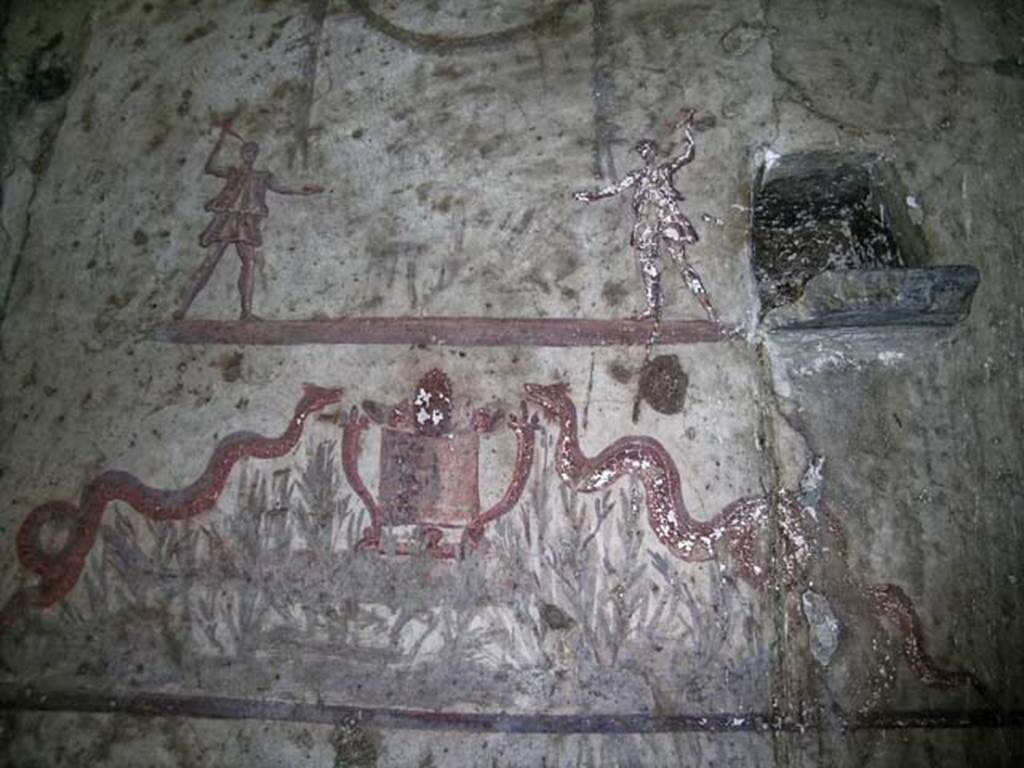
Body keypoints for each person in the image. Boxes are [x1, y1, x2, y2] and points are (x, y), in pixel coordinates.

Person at [574, 108, 716, 321]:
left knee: (681, 262)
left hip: (667, 218)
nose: (644, 152)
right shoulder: (637, 175)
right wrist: (594, 196)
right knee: (647, 263)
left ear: (654, 151)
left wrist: (688, 130)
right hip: (646, 222)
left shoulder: (664, 170)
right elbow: (617, 188)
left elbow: (687, 155)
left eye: (646, 149)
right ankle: (653, 307)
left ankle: (707, 306)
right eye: (641, 150)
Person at [174, 121, 323, 321]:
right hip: (228, 218)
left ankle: (246, 311)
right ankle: (183, 307)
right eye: (247, 152)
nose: (250, 156)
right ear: (242, 154)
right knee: (210, 261)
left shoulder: (261, 176)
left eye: (253, 153)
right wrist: (220, 140)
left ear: (256, 155)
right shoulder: (233, 173)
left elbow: (282, 188)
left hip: (246, 222)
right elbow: (210, 167)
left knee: (249, 262)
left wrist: (304, 191)